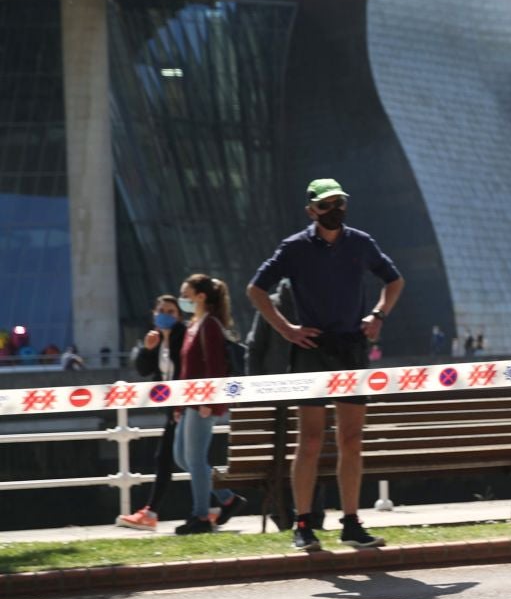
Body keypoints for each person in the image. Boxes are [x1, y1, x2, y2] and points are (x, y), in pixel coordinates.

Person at [246, 178, 404, 552]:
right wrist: (286, 329)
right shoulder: (295, 248)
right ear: (311, 211)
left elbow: (394, 281)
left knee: (351, 440)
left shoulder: (360, 243)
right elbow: (255, 289)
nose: (334, 210)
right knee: (311, 440)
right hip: (311, 349)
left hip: (351, 348)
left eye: (339, 203)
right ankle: (303, 524)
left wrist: (378, 315)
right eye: (326, 205)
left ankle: (351, 522)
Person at [245, 278, 327, 530]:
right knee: (313, 450)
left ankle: (281, 513)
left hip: (276, 394)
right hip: (312, 391)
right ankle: (314, 513)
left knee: (277, 456)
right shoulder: (320, 305)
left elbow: (254, 347)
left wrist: (256, 389)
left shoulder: (272, 306)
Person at [173, 274, 246, 535]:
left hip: (202, 403)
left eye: (186, 295)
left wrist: (208, 401)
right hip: (189, 402)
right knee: (182, 457)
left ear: (200, 297)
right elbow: (186, 370)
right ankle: (227, 498)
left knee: (194, 459)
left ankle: (201, 516)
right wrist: (179, 406)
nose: (183, 299)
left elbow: (215, 366)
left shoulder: (210, 325)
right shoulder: (195, 324)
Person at [118, 296, 188, 530]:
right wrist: (147, 350)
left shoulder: (184, 336)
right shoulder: (156, 340)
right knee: (186, 459)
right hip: (173, 408)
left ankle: (151, 512)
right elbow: (143, 370)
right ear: (154, 313)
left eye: (171, 311)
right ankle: (224, 501)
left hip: (184, 406)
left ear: (179, 315)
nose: (165, 315)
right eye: (161, 310)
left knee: (168, 459)